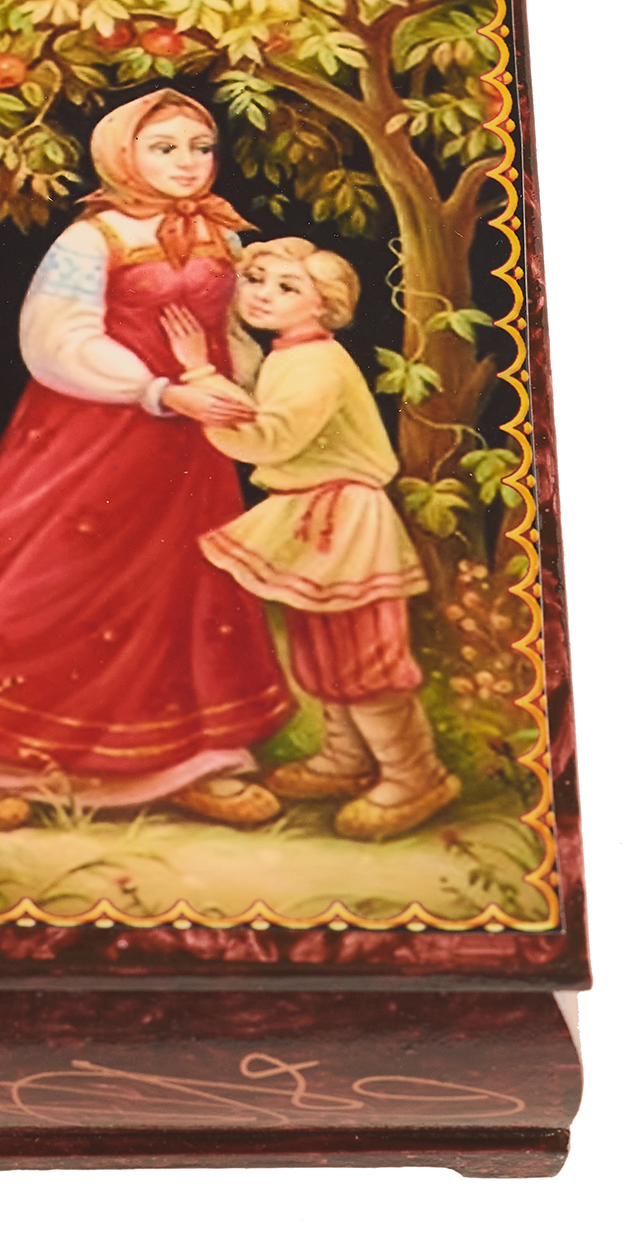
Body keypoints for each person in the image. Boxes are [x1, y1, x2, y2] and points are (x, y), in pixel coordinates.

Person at [0, 90, 292, 830]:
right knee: (57, 581)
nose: (188, 163)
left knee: (180, 588)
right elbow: (56, 338)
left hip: (190, 446)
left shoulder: (222, 234)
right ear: (121, 154)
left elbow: (233, 329)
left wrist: (247, 391)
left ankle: (189, 761)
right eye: (164, 147)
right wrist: (157, 390)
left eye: (200, 147)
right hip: (95, 431)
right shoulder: (91, 239)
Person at [159, 237, 462, 840]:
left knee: (362, 654)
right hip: (314, 514)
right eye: (255, 279)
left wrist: (198, 373)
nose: (262, 294)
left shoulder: (316, 364)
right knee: (321, 647)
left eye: (286, 287)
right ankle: (345, 759)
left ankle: (415, 775)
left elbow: (270, 438)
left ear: (325, 305)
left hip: (344, 520)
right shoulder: (290, 355)